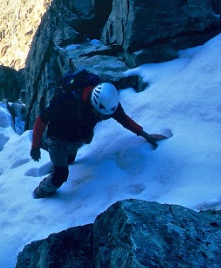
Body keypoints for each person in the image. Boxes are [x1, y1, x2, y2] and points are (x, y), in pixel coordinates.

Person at [30, 78, 170, 198]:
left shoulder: (109, 102)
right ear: (93, 103)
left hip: (79, 135)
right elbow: (41, 119)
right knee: (60, 175)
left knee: (69, 159)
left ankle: (60, 163)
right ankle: (40, 193)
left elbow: (123, 119)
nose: (102, 118)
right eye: (99, 114)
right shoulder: (67, 101)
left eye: (105, 116)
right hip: (58, 137)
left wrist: (146, 135)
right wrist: (35, 147)